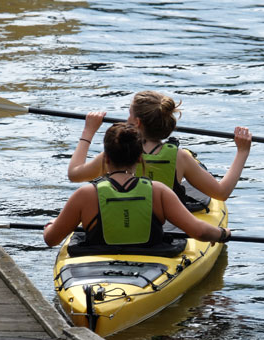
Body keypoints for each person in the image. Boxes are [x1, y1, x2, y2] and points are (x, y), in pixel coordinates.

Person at [44, 123, 230, 248]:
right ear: (140, 159)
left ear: (106, 158)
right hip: (153, 259)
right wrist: (222, 234)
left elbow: (51, 240)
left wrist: (51, 224)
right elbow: (199, 231)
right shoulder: (158, 191)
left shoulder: (84, 195)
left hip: (96, 265)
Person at [67, 90, 252, 202]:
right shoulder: (180, 157)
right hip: (165, 231)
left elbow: (74, 174)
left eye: (129, 114)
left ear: (137, 122)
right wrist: (242, 151)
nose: (126, 118)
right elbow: (221, 193)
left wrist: (88, 132)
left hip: (125, 224)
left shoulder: (117, 152)